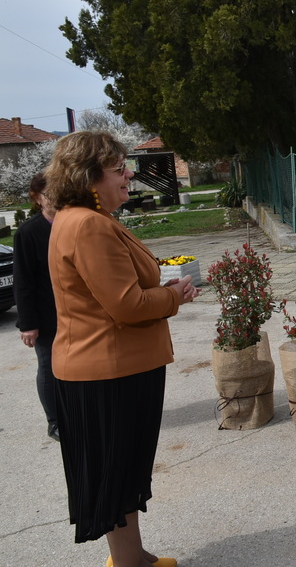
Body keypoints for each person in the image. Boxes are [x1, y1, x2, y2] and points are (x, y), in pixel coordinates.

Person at [46, 131, 199, 567]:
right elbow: (127, 306)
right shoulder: (88, 225)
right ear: (88, 177)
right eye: (118, 169)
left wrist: (163, 293)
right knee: (117, 475)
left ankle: (132, 557)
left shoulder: (81, 219)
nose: (129, 174)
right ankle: (129, 563)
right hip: (109, 371)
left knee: (123, 474)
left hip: (108, 367)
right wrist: (173, 296)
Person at [14, 172, 59, 441]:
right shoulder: (29, 232)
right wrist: (28, 324)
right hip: (46, 315)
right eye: (48, 194)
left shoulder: (72, 223)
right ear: (37, 198)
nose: (54, 198)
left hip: (75, 311)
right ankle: (55, 421)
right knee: (49, 366)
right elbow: (23, 281)